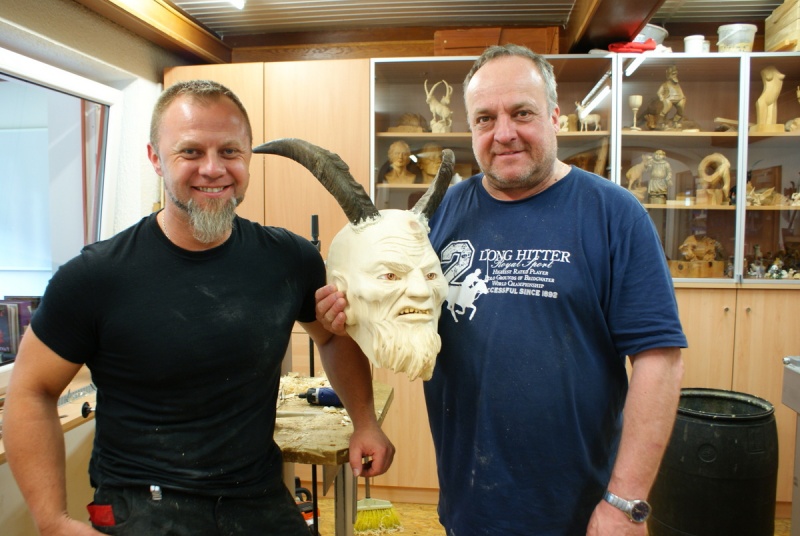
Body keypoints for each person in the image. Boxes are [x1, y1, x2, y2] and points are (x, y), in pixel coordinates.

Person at [316, 44, 685, 535]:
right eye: (485, 119)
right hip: (470, 507)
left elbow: (659, 360)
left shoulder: (614, 214)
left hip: (585, 515)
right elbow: (379, 315)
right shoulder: (438, 215)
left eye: (522, 113)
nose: (504, 133)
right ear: (471, 128)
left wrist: (625, 501)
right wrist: (354, 361)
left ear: (554, 116)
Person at [3, 79, 394, 536]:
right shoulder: (95, 276)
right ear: (155, 158)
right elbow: (30, 391)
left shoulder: (290, 259)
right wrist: (52, 521)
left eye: (230, 152)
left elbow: (331, 336)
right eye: (190, 152)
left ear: (248, 157)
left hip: (257, 496)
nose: (213, 169)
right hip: (143, 504)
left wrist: (364, 422)